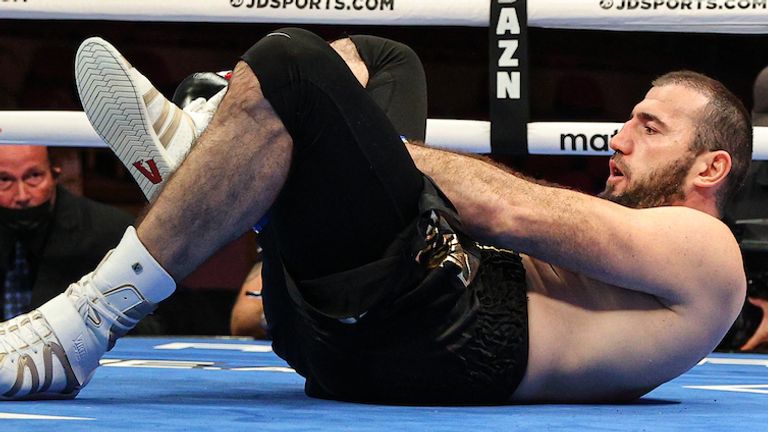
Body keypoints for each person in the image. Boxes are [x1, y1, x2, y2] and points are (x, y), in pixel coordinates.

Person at [0, 28, 752, 404]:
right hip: (362, 324)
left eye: (650, 127)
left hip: (441, 332)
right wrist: (338, 140)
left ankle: (87, 320)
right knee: (391, 62)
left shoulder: (709, 253)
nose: (619, 138)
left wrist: (332, 134)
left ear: (710, 167)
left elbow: (498, 206)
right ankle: (229, 160)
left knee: (294, 68)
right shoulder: (640, 249)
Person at [0, 145, 134, 320]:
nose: (22, 195)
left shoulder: (111, 231)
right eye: (4, 180)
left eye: (34, 176)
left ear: (55, 171)